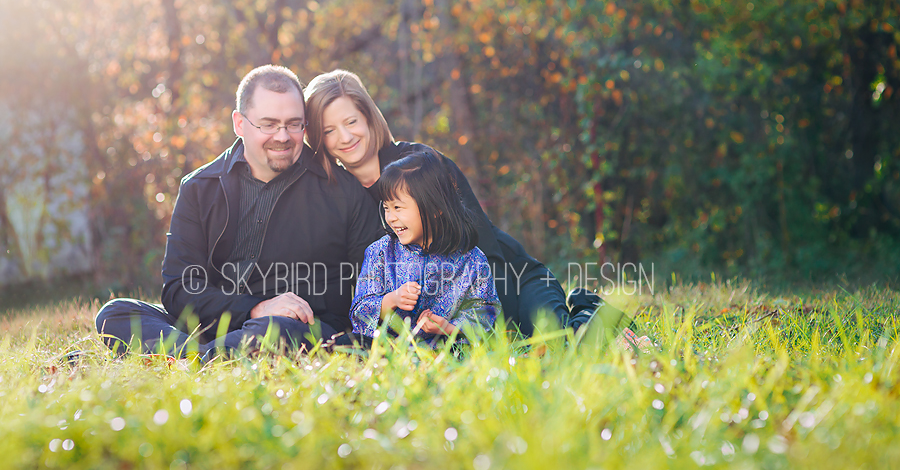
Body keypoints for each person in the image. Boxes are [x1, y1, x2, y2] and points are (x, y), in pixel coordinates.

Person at [94, 65, 384, 358]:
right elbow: (179, 288)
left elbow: (377, 284)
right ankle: (206, 357)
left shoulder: (343, 192)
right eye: (268, 124)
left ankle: (187, 359)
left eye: (294, 124)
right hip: (216, 324)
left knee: (272, 330)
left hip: (299, 329)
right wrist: (255, 309)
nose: (283, 136)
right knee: (116, 314)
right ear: (239, 123)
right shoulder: (200, 187)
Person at [305, 69, 605, 338]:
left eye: (351, 121)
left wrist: (495, 323)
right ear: (319, 138)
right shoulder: (339, 196)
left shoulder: (419, 166)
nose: (344, 136)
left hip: (506, 279)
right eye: (329, 130)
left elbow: (483, 246)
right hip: (439, 323)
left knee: (553, 338)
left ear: (369, 117)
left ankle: (590, 307)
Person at [350, 148, 501, 348]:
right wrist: (392, 299)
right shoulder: (380, 253)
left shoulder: (470, 259)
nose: (391, 217)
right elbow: (360, 309)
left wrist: (448, 327)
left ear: (436, 207)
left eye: (398, 207)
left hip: (444, 348)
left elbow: (484, 309)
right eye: (386, 208)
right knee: (349, 344)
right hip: (388, 348)